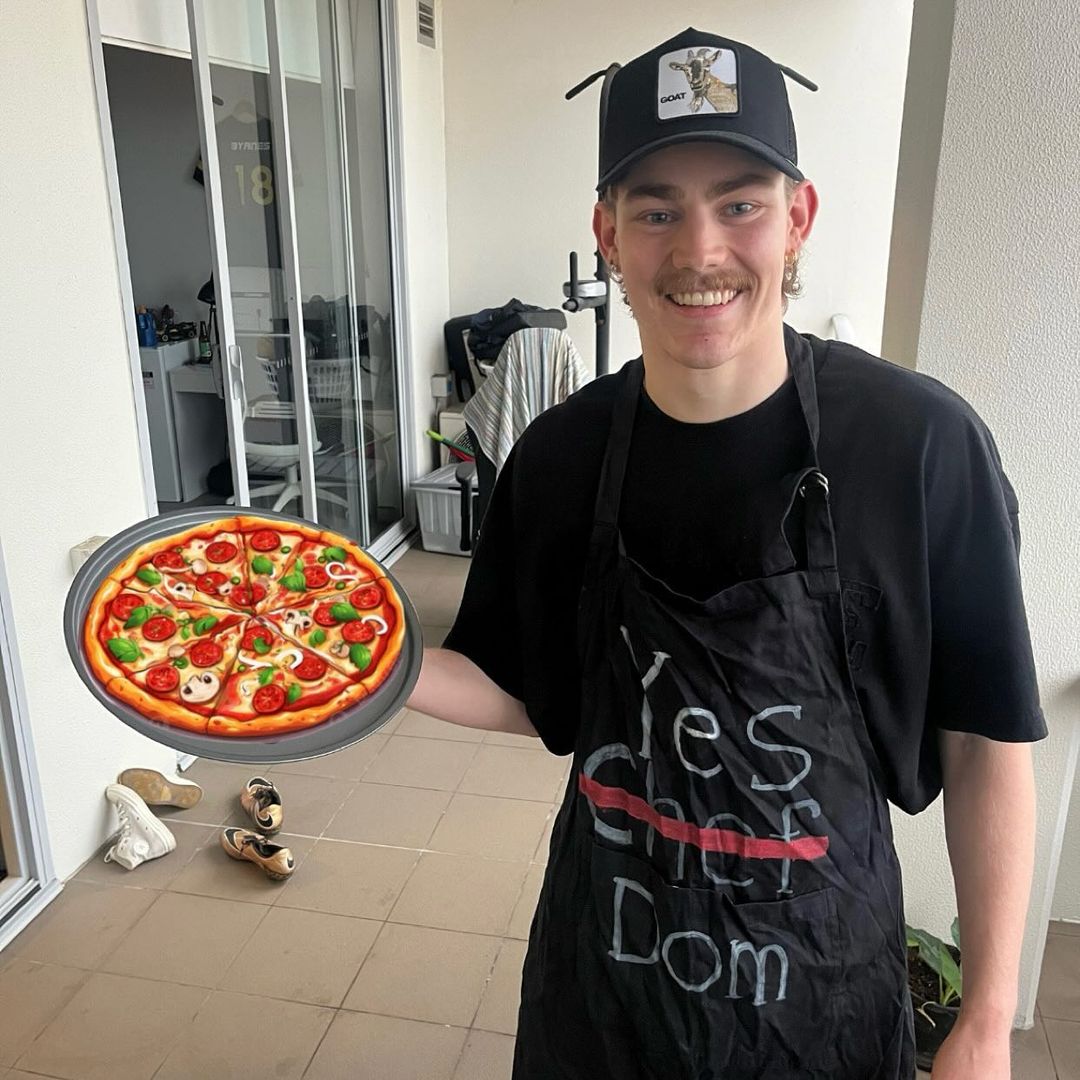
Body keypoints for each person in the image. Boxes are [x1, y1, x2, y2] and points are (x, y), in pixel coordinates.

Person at [407, 26, 1045, 1080]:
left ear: (797, 216)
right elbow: (527, 687)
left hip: (822, 1007)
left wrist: (985, 1016)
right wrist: (370, 673)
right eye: (656, 209)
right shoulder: (563, 455)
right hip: (600, 1000)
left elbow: (984, 743)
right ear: (607, 233)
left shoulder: (921, 449)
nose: (698, 250)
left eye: (739, 203)